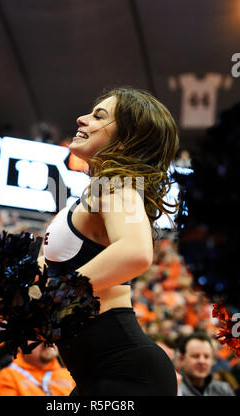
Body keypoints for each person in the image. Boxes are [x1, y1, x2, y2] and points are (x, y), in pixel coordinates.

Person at [41, 87, 180, 396]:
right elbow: (42, 280)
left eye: (98, 116)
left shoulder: (118, 186)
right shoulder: (97, 190)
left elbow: (136, 252)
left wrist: (60, 296)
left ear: (127, 136)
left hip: (126, 377)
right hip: (94, 377)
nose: (81, 118)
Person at [0, 343, 74, 396]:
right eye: (37, 338)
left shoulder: (69, 374)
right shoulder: (7, 377)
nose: (45, 343)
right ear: (20, 346)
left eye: (48, 336)